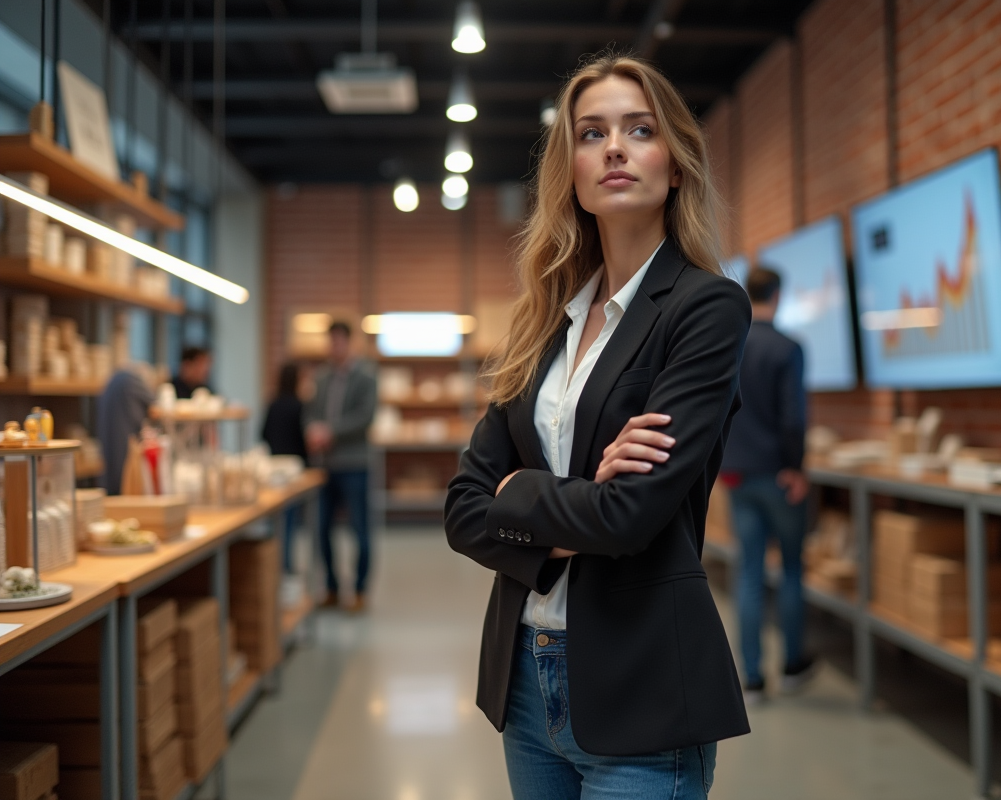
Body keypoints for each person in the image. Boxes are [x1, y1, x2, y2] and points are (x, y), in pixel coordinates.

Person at [445, 54, 750, 800]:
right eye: (592, 133)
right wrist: (574, 498)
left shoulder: (705, 309)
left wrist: (519, 492)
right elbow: (460, 511)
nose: (613, 147)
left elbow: (630, 516)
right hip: (523, 675)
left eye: (639, 130)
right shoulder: (545, 322)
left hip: (642, 681)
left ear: (674, 165)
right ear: (573, 173)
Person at [720, 267, 813, 704]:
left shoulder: (730, 345)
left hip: (737, 474)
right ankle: (792, 665)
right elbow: (793, 417)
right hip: (778, 475)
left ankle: (752, 679)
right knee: (791, 568)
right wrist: (796, 467)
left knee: (750, 573)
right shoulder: (788, 348)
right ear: (778, 294)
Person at [305, 322, 377, 612]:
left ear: (349, 343)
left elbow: (365, 416)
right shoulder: (320, 378)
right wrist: (311, 429)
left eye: (339, 342)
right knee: (320, 528)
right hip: (324, 466)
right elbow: (309, 412)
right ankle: (332, 587)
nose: (334, 348)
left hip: (354, 463)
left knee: (359, 529)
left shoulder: (366, 376)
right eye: (330, 342)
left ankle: (359, 590)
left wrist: (330, 432)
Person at [262, 362, 309, 574]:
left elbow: (263, 433)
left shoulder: (273, 404)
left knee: (276, 521)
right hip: (293, 470)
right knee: (289, 522)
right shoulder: (299, 406)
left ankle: (276, 565)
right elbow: (303, 439)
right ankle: (285, 567)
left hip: (273, 468)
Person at [96, 365, 155, 495]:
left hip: (109, 442)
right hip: (124, 444)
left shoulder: (114, 381)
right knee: (124, 478)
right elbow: (155, 405)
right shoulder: (132, 381)